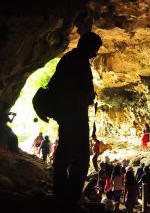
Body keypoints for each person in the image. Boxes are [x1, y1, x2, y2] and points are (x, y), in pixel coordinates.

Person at [47, 32, 102, 209]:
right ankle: (69, 198)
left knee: (65, 154)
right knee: (80, 157)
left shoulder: (70, 59)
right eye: (95, 49)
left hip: (69, 115)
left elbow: (57, 85)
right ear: (87, 45)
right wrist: (86, 95)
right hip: (74, 116)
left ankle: (62, 195)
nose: (95, 54)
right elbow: (76, 89)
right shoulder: (77, 61)